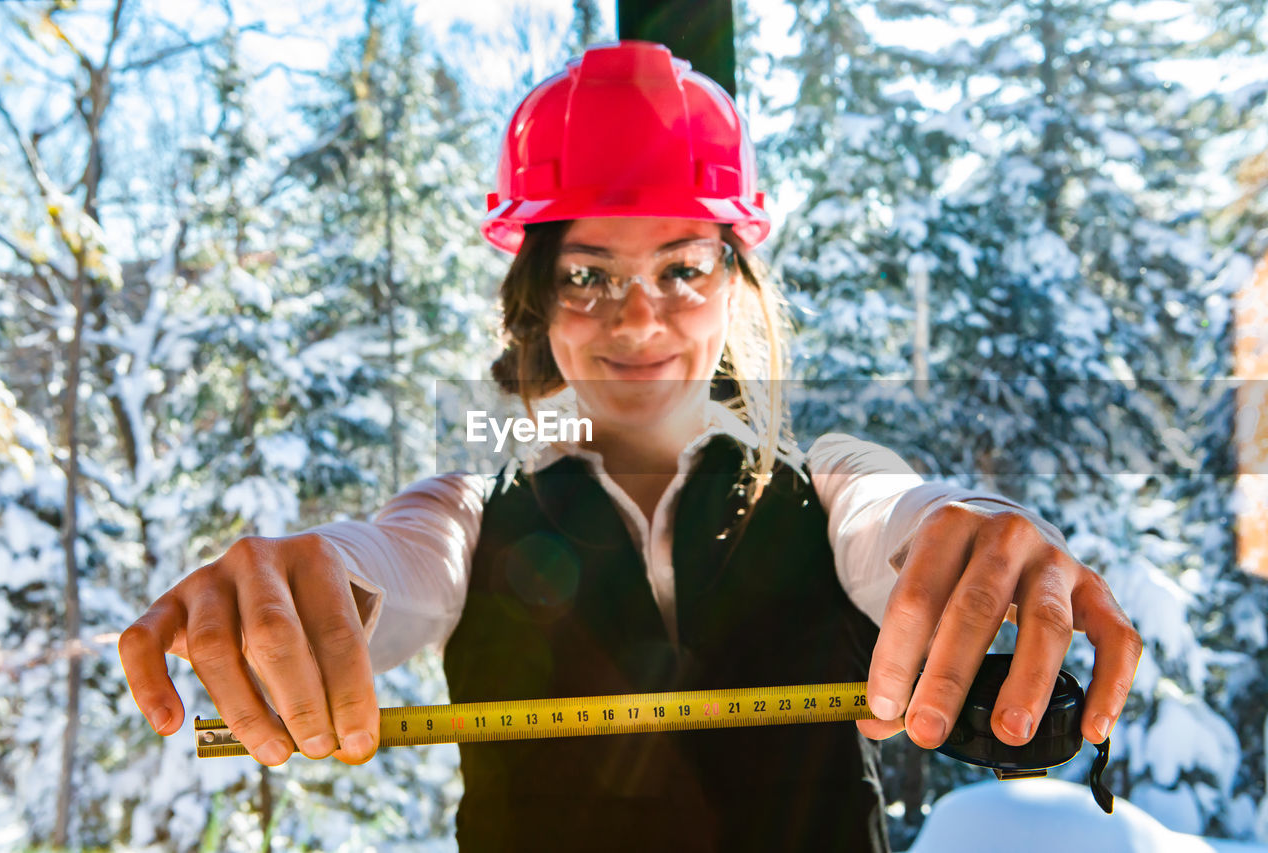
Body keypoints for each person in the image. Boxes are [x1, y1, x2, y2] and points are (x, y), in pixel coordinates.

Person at [119, 41, 1142, 852]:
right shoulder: (468, 511)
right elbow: (393, 564)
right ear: (535, 303)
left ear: (734, 285)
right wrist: (317, 583)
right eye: (588, 275)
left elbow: (900, 522)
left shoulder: (830, 482)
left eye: (682, 269)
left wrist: (980, 538)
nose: (637, 318)